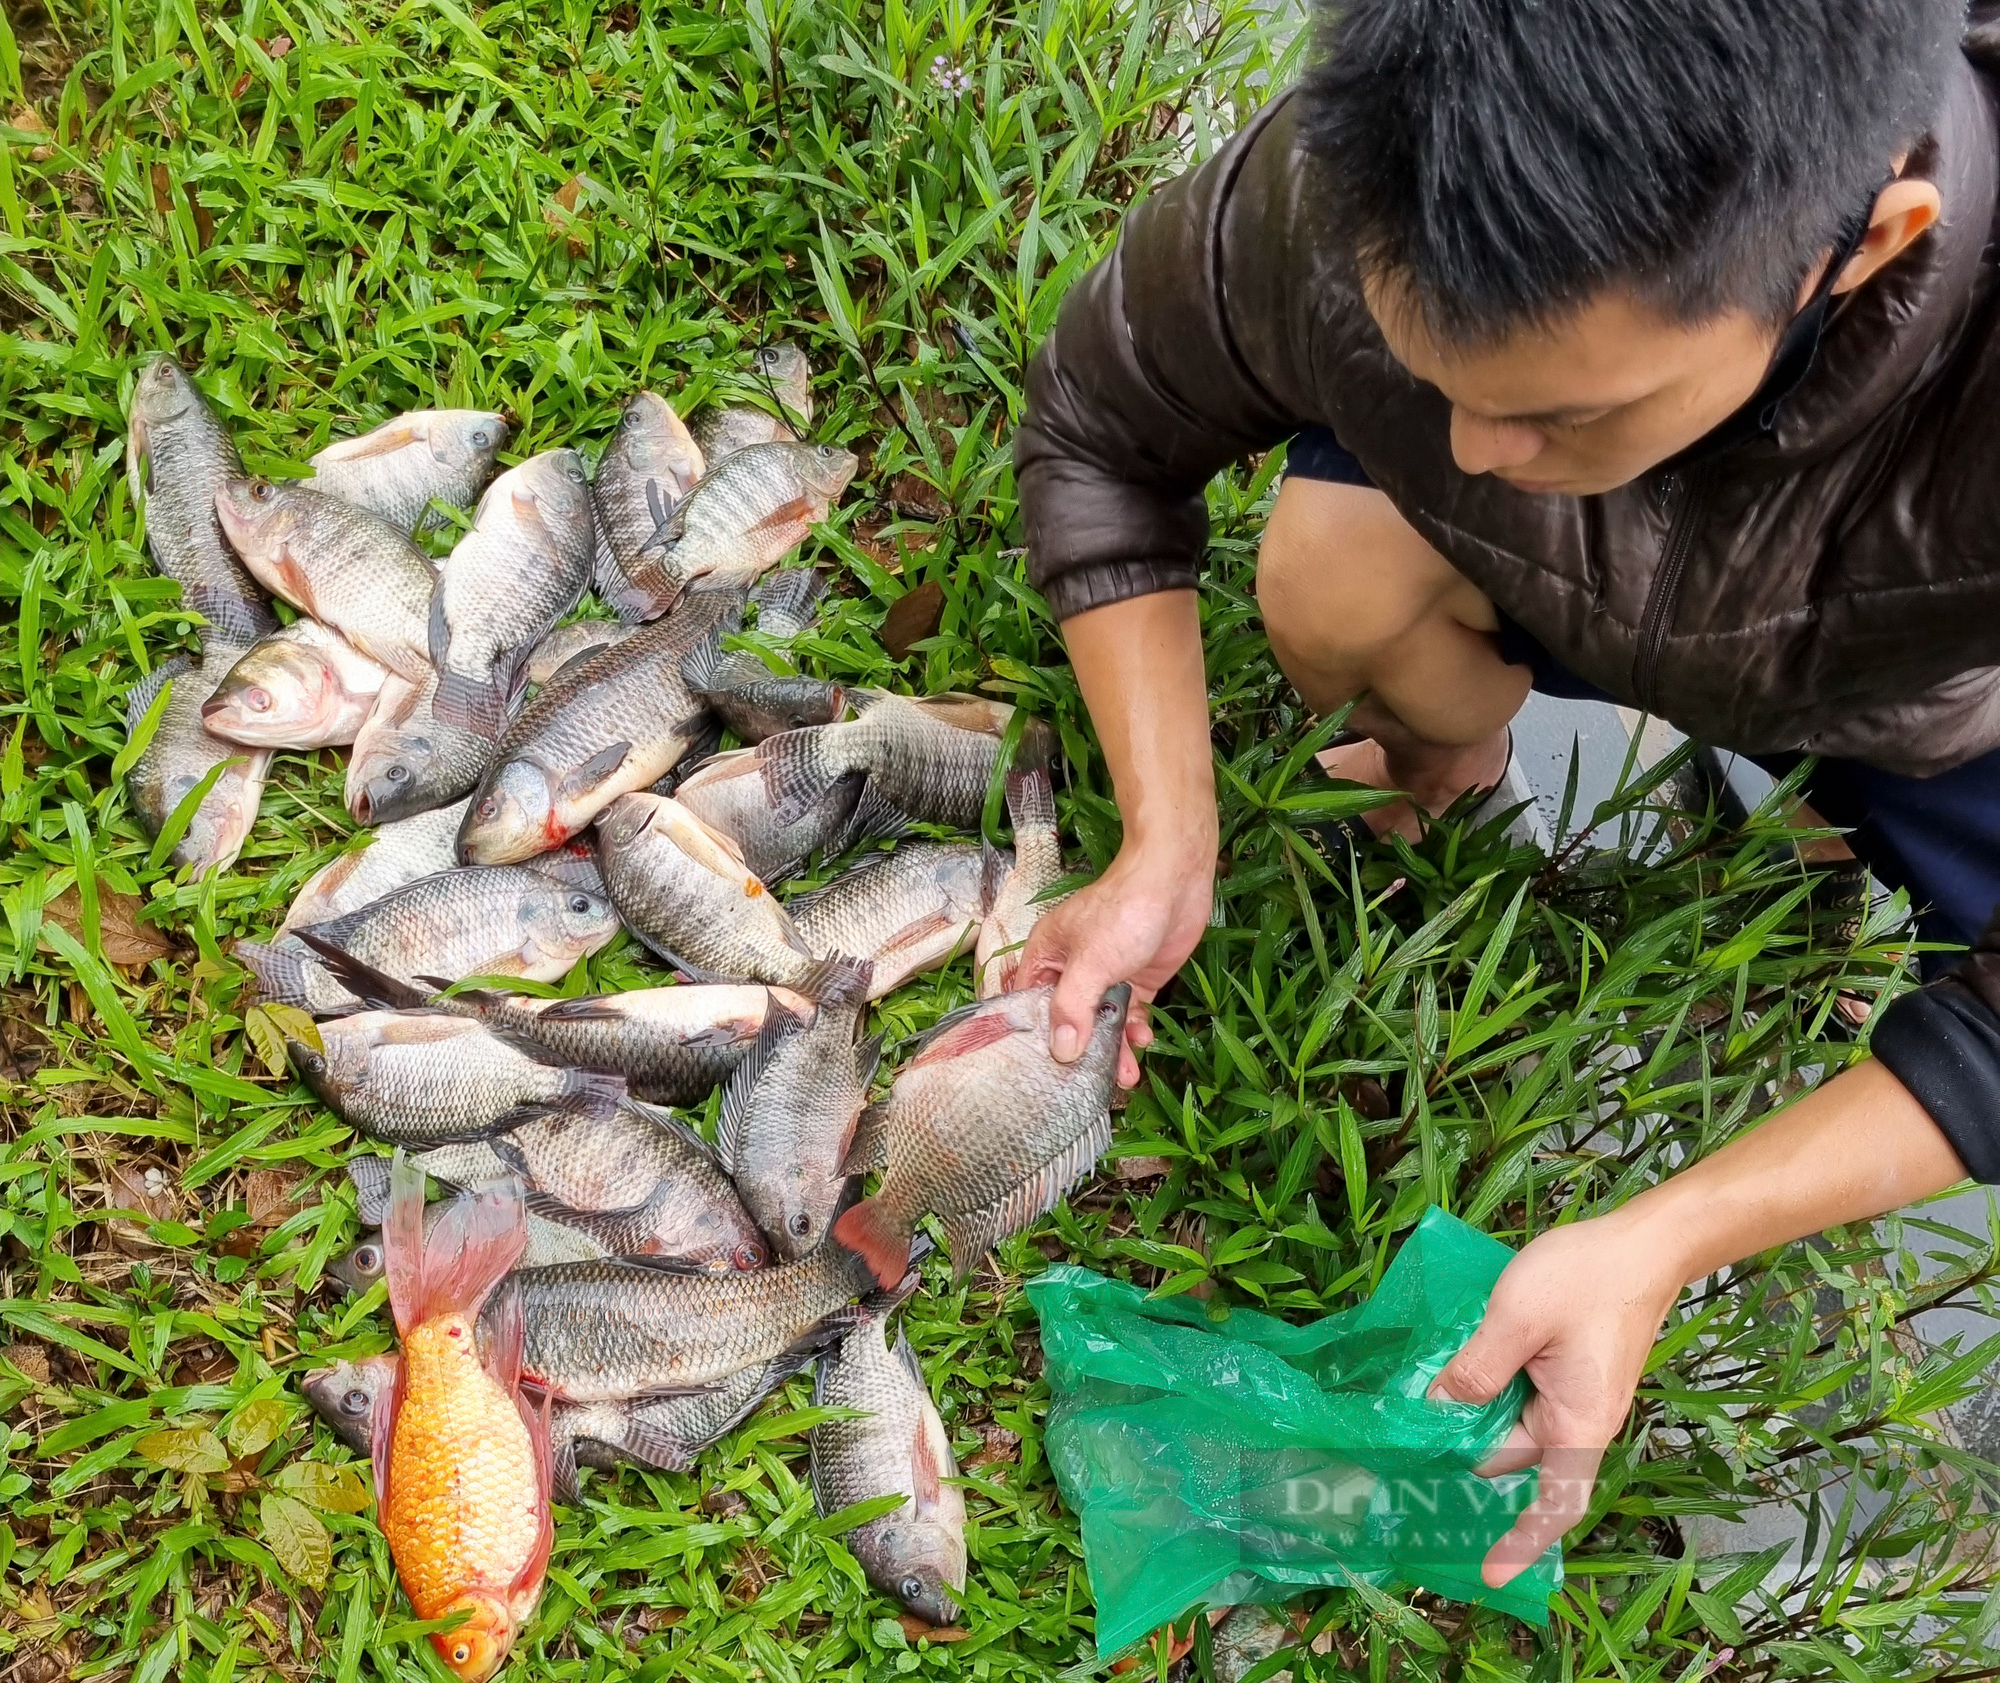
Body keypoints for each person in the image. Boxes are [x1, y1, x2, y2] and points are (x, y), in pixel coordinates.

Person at [1012, 0, 2000, 1588]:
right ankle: (1447, 767)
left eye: (1561, 405)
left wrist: (1662, 1236)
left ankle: (1827, 829)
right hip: (1587, 572)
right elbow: (1103, 425)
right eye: (1439, 374)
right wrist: (1163, 833)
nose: (1474, 443)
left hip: (1927, 687)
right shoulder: (1358, 181)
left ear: (1868, 245)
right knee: (1334, 567)